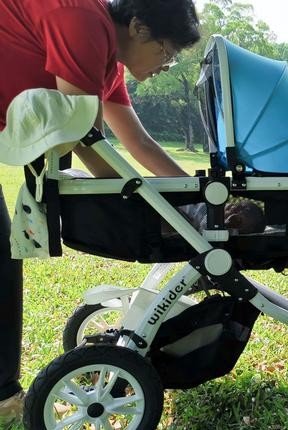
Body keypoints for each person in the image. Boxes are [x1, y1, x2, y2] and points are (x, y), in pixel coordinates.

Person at [0, 0, 200, 424]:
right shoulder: (84, 21)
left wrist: (193, 199)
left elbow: (138, 145)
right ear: (140, 28)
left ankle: (2, 394)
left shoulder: (108, 62)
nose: (168, 64)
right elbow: (87, 141)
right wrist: (161, 208)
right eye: (167, 51)